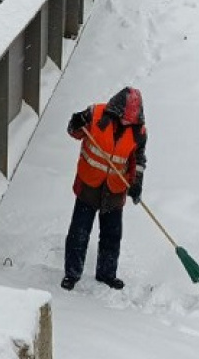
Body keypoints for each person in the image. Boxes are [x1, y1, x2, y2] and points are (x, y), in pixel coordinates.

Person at [61, 86, 147, 291]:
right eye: (125, 117)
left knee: (111, 236)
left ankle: (107, 274)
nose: (127, 122)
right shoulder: (96, 113)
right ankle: (72, 274)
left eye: (131, 119)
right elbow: (74, 131)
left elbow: (139, 160)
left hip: (115, 191)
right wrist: (76, 122)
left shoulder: (139, 132)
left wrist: (136, 184)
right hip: (88, 186)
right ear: (117, 109)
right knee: (78, 233)